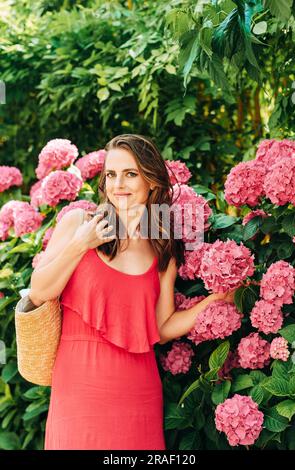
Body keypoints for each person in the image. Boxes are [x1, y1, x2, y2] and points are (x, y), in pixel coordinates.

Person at [29, 134, 235, 450]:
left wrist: (213, 301)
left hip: (137, 393)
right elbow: (40, 291)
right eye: (111, 174)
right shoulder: (77, 223)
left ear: (151, 181)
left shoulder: (161, 248)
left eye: (130, 174)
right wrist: (82, 243)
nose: (118, 184)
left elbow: (163, 327)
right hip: (77, 391)